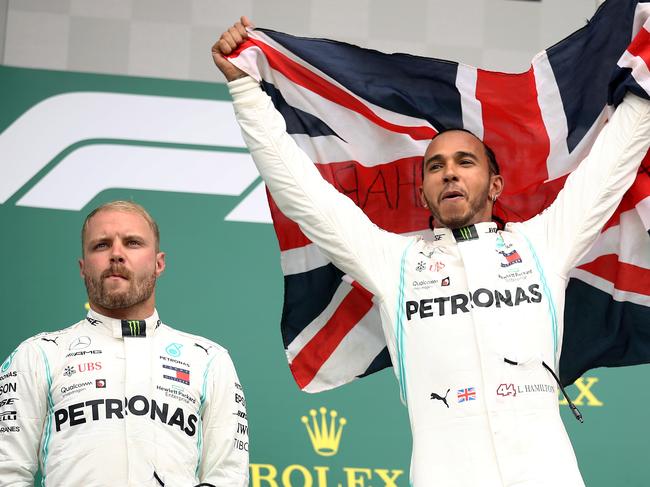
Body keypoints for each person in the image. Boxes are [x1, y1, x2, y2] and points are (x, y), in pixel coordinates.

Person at [212, 18, 650, 487]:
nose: (450, 174)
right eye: (435, 166)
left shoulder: (543, 244)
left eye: (466, 162)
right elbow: (300, 191)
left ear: (495, 184)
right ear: (423, 194)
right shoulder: (394, 264)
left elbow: (612, 163)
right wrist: (247, 94)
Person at [0, 201, 249, 486]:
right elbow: (6, 472)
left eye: (132, 243)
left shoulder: (208, 360)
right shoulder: (38, 354)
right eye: (101, 245)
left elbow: (228, 477)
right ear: (83, 267)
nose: (116, 254)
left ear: (159, 263)